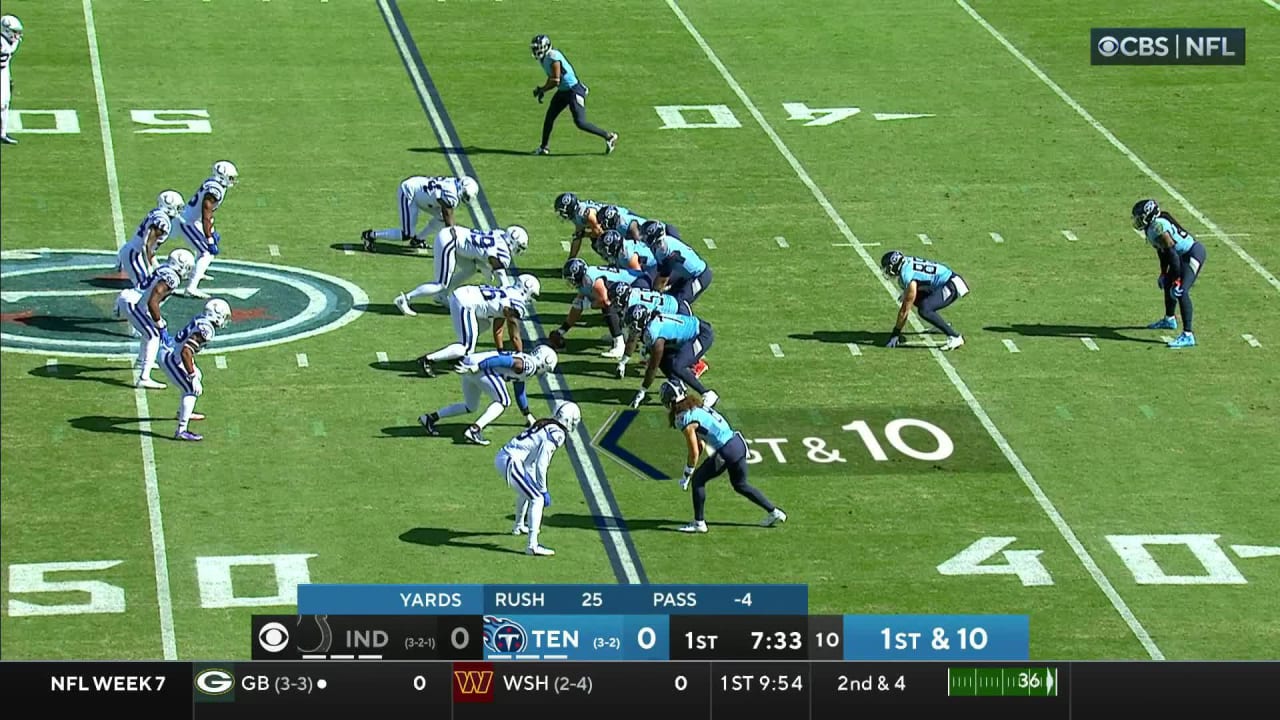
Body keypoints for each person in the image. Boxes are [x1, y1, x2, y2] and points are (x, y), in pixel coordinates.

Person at [659, 380, 786, 534]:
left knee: (698, 480)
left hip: (726, 451)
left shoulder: (683, 418)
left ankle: (699, 523)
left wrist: (687, 473)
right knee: (740, 485)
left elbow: (693, 451)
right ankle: (774, 512)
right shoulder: (695, 405)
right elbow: (699, 446)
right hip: (738, 442)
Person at [418, 344, 558, 447]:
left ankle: (430, 418)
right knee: (503, 401)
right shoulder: (529, 365)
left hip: (472, 363)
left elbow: (519, 389)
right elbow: (503, 361)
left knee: (470, 406)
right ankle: (475, 430)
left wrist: (527, 415)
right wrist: (479, 367)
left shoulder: (528, 366)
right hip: (481, 367)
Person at [496, 401, 580, 556]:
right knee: (537, 499)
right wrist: (543, 490)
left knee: (527, 492)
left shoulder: (545, 424)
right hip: (511, 461)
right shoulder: (557, 434)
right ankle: (532, 545)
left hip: (508, 458)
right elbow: (542, 463)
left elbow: (530, 460)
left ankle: (519, 525)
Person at [416, 276, 540, 377]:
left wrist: (500, 352)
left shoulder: (508, 291)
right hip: (466, 303)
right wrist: (520, 354)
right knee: (466, 348)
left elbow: (498, 329)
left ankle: (456, 355)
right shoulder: (516, 302)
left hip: (465, 296)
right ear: (526, 289)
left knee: (485, 324)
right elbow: (514, 334)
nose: (531, 298)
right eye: (532, 294)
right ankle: (428, 359)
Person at [393, 225, 529, 315]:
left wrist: (489, 270)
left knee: (470, 269)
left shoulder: (499, 234)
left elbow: (483, 256)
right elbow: (495, 263)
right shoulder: (503, 254)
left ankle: (442, 296)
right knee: (440, 284)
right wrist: (506, 287)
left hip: (454, 236)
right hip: (450, 241)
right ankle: (405, 298)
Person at [1132, 199, 1207, 349]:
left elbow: (1172, 253)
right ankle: (1169, 319)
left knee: (1181, 291)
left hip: (1191, 254)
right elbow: (1163, 252)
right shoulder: (1152, 227)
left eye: (1140, 217)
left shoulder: (1158, 227)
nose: (1137, 221)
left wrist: (1178, 278)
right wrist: (1163, 273)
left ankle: (1188, 335)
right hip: (1180, 256)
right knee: (1167, 282)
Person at [116, 249, 195, 389]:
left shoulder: (165, 268)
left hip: (132, 300)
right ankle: (144, 377)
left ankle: (141, 361)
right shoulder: (172, 278)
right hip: (134, 303)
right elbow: (152, 301)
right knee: (154, 335)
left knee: (149, 333)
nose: (188, 271)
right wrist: (160, 324)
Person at [530, 34, 617, 156]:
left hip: (573, 90)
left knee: (580, 122)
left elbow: (555, 80)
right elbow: (552, 78)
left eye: (538, 47)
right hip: (563, 91)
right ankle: (544, 147)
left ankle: (609, 136)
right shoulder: (544, 58)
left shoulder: (552, 56)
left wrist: (543, 89)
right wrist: (543, 89)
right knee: (549, 117)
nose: (536, 50)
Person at [160, 298, 231, 441]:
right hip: (172, 358)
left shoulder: (202, 320)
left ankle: (183, 412)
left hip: (171, 352)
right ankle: (181, 430)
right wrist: (191, 376)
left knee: (197, 375)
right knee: (191, 389)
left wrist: (193, 373)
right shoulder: (206, 330)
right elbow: (186, 351)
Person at [627, 305, 718, 409]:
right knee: (662, 359)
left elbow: (653, 367)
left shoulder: (653, 331)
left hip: (702, 335)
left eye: (633, 324)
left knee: (677, 365)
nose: (631, 328)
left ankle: (707, 394)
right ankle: (678, 383)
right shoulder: (652, 325)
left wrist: (642, 390)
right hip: (691, 335)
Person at [360, 175, 479, 252]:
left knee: (441, 218)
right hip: (410, 193)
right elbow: (449, 217)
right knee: (407, 234)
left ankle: (418, 240)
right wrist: (454, 240)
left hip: (422, 193)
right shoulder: (452, 194)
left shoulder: (454, 184)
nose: (466, 199)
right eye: (465, 195)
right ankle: (370, 235)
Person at [550, 258, 639, 358]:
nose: (570, 282)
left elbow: (605, 301)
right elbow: (577, 307)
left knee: (608, 306)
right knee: (610, 302)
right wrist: (562, 330)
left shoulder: (590, 279)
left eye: (571, 279)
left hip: (638, 283)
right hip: (628, 286)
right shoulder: (584, 281)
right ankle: (621, 335)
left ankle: (619, 344)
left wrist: (588, 305)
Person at [880, 251, 968, 351]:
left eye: (888, 268)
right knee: (917, 299)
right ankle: (939, 325)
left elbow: (905, 310)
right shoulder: (906, 263)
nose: (887, 271)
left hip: (951, 285)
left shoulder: (906, 274)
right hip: (943, 283)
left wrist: (895, 333)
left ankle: (955, 337)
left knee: (925, 310)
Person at [177, 161, 238, 298]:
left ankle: (197, 272)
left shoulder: (214, 184)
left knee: (203, 250)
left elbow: (207, 215)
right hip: (190, 222)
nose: (232, 180)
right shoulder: (214, 191)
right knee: (207, 252)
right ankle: (191, 287)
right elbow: (206, 214)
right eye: (230, 177)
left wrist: (211, 229)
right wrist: (209, 238)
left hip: (194, 219)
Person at [117, 191, 185, 289]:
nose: (179, 210)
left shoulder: (157, 213)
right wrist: (149, 267)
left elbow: (150, 247)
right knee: (144, 288)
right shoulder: (162, 222)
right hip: (135, 255)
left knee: (149, 285)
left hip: (133, 251)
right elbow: (147, 245)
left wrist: (155, 266)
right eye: (177, 207)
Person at [1, 14, 24, 145]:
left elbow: (7, 60)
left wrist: (8, 77)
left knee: (5, 103)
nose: (17, 35)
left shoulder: (12, 43)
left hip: (3, 72)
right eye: (15, 32)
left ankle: (2, 134)